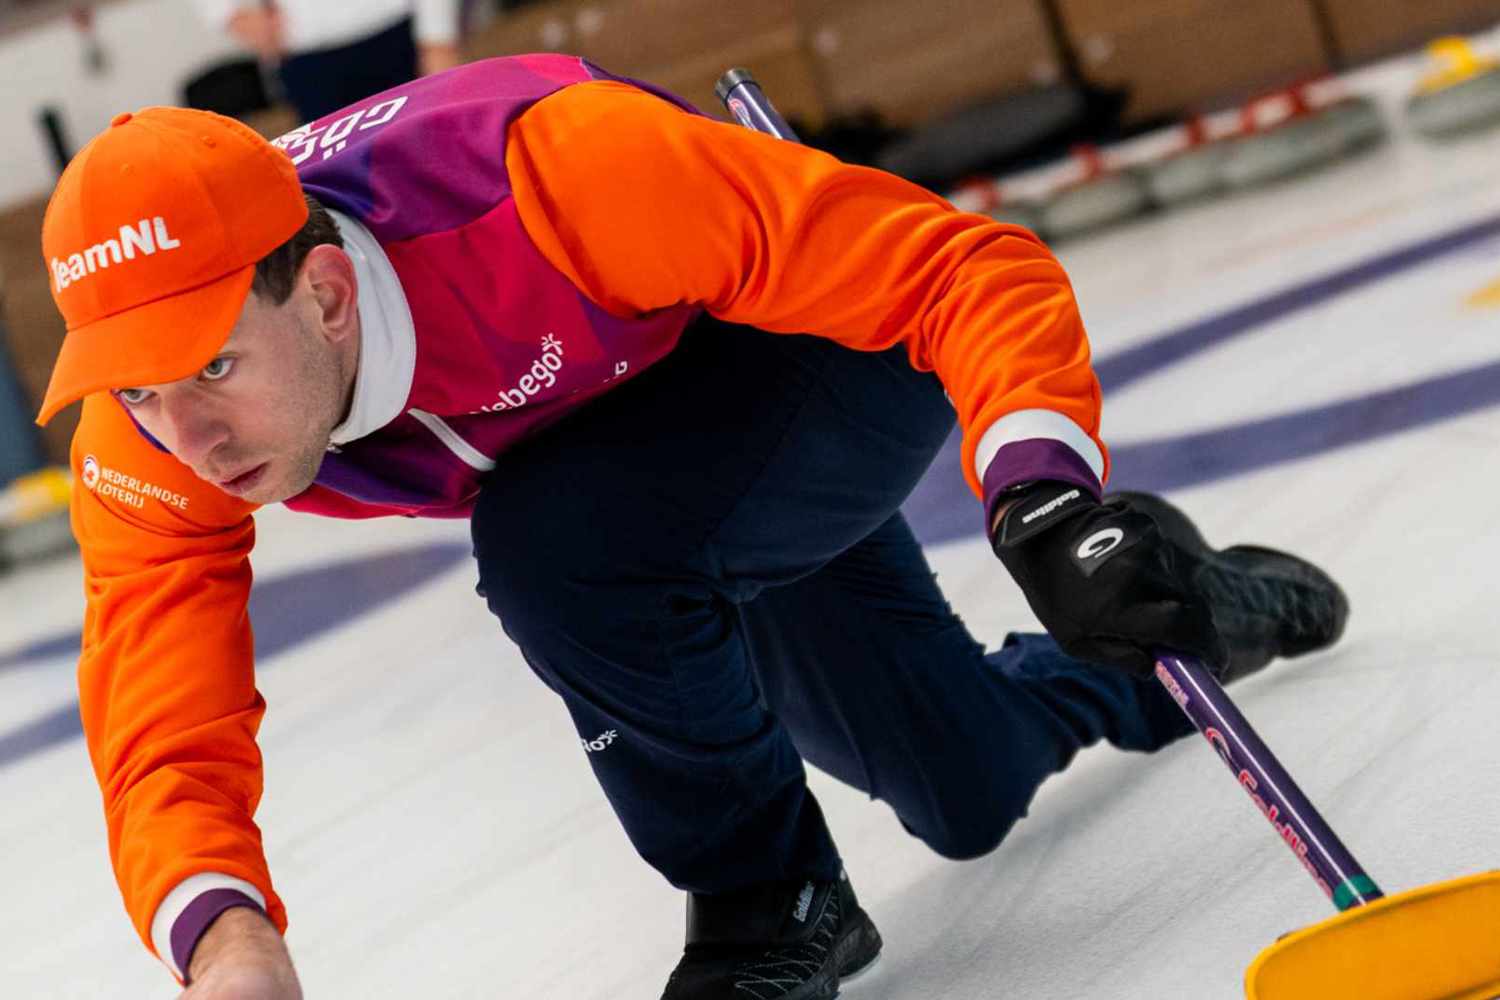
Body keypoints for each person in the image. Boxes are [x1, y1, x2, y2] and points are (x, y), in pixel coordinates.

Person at [37, 55, 1347, 999]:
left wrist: (1043, 490)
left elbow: (957, 270)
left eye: (213, 368)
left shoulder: (552, 169)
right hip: (641, 493)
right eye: (140, 391)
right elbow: (158, 720)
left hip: (800, 357)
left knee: (556, 544)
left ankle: (766, 896)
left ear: (326, 294)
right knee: (964, 789)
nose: (185, 434)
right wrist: (224, 937)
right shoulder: (151, 430)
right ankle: (1169, 630)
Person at [193, 0, 467, 123]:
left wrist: (438, 37)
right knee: (347, 191)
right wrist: (230, 15)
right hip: (310, 59)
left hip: (398, 37)